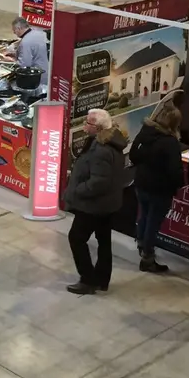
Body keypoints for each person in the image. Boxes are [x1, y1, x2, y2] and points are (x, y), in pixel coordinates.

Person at [63, 109, 128, 295]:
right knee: (103, 240)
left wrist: (77, 190)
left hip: (94, 206)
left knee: (76, 238)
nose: (84, 124)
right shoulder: (108, 142)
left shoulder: (101, 150)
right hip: (108, 204)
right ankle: (101, 279)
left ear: (98, 128)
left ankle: (88, 279)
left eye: (88, 123)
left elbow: (99, 182)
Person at [129, 104, 184, 273]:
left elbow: (133, 155)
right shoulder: (170, 142)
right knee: (153, 222)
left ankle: (141, 244)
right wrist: (178, 184)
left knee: (144, 215)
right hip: (160, 189)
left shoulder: (145, 131)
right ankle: (148, 257)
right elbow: (175, 169)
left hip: (141, 183)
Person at [10, 17, 49, 87]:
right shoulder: (40, 33)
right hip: (47, 71)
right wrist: (15, 54)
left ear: (19, 28)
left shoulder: (25, 42)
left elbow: (24, 65)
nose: (14, 32)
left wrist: (11, 61)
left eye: (14, 30)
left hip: (36, 77)